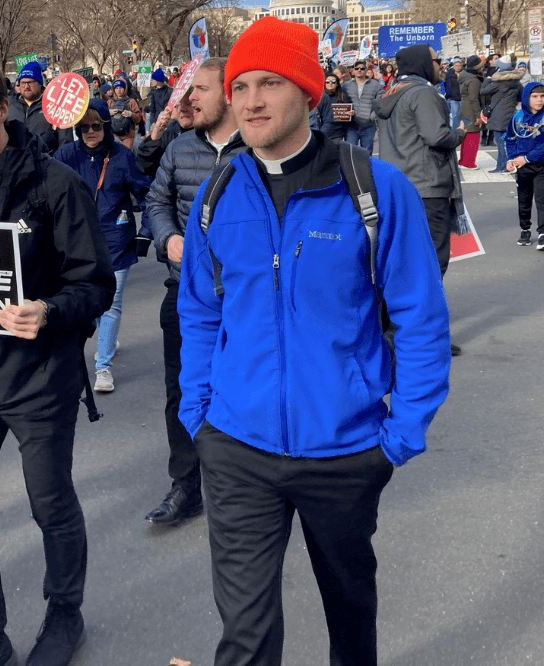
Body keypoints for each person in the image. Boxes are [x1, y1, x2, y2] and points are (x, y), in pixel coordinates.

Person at [178, 18, 451, 666]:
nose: (250, 101)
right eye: (240, 86)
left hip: (346, 450)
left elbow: (420, 318)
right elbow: (200, 311)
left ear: (308, 91)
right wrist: (199, 414)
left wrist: (402, 433)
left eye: (269, 83)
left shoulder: (376, 190)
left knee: (350, 620)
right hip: (235, 447)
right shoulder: (218, 193)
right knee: (245, 636)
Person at [0, 51, 114, 666]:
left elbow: (96, 284)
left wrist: (51, 311)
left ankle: (65, 615)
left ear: (2, 108)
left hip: (38, 381)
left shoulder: (57, 185)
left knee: (50, 506)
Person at [144, 57, 244, 527]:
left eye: (200, 89)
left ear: (229, 92)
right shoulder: (179, 147)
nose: (188, 99)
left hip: (247, 297)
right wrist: (168, 237)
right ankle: (185, 484)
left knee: (242, 388)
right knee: (182, 391)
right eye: (187, 90)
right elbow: (155, 201)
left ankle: (242, 485)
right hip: (184, 291)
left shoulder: (258, 146)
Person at [375, 44, 466, 357]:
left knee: (401, 262)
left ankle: (393, 332)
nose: (441, 66)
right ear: (423, 64)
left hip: (399, 185)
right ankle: (420, 337)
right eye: (437, 61)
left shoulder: (391, 92)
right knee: (431, 264)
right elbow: (437, 136)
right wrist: (460, 133)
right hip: (427, 186)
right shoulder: (423, 93)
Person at [54, 99, 151, 393]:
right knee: (89, 306)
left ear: (107, 126)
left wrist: (145, 233)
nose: (90, 132)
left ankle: (103, 366)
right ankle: (107, 338)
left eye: (96, 125)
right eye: (83, 127)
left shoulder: (122, 156)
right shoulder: (66, 155)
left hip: (116, 242)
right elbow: (45, 187)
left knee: (110, 306)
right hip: (79, 246)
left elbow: (148, 194)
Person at [505, 81, 544, 249]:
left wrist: (527, 158)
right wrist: (511, 159)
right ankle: (525, 229)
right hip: (522, 167)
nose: (539, 100)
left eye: (542, 96)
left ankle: (542, 233)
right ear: (527, 98)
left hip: (541, 165)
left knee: (542, 199)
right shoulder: (517, 117)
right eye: (535, 96)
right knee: (524, 200)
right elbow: (510, 139)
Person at [7, 60, 67, 153]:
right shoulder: (9, 106)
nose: (26, 86)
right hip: (15, 160)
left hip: (45, 159)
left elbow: (65, 143)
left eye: (30, 82)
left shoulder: (55, 106)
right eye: (23, 83)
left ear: (40, 84)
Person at [479, 59, 523, 173]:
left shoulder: (498, 83)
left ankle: (501, 167)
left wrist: (488, 78)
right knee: (509, 142)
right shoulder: (517, 83)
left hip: (498, 116)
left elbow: (483, 91)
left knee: (500, 143)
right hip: (511, 115)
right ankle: (511, 165)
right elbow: (521, 98)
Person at [341, 59, 382, 154]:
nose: (359, 70)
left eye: (362, 68)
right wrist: (345, 113)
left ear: (366, 70)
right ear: (353, 70)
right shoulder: (345, 86)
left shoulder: (375, 85)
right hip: (351, 126)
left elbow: (380, 102)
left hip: (368, 126)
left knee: (367, 154)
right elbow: (340, 101)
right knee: (350, 152)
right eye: (357, 68)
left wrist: (372, 116)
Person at [458, 55, 485, 169]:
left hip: (464, 107)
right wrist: (478, 115)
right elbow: (474, 99)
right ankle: (469, 163)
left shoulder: (464, 76)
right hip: (471, 109)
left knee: (466, 134)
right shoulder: (474, 80)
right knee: (473, 135)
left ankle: (463, 161)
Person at [108, 80, 143, 149]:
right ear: (114, 90)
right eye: (116, 88)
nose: (119, 90)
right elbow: (102, 118)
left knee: (126, 153)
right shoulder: (110, 102)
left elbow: (138, 118)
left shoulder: (131, 101)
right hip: (113, 135)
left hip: (128, 135)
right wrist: (109, 113)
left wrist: (130, 114)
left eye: (121, 88)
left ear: (125, 89)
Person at [322, 72, 349, 140]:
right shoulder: (320, 97)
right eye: (327, 82)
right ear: (324, 83)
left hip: (337, 133)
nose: (330, 83)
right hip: (322, 131)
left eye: (333, 82)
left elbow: (349, 112)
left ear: (337, 84)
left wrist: (351, 113)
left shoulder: (343, 96)